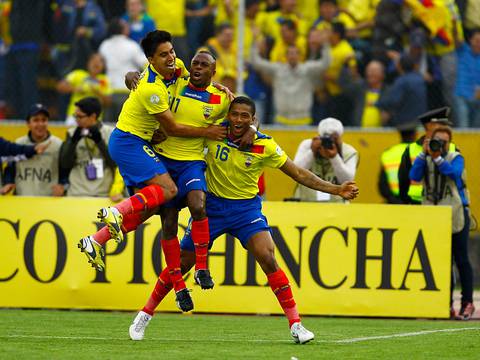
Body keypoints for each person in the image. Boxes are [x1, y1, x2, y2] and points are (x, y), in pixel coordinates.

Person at [128, 96, 359, 343]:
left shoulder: (265, 145)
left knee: (268, 258)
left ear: (253, 120)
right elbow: (179, 129)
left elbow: (299, 173)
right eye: (234, 114)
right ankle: (144, 315)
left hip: (245, 211)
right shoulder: (213, 133)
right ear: (228, 115)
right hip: (211, 209)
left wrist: (335, 190)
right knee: (182, 263)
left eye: (244, 116)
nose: (238, 119)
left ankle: (296, 325)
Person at [79, 30, 227, 312]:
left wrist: (218, 85)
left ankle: (95, 240)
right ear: (150, 60)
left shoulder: (179, 67)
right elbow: (172, 127)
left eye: (171, 51)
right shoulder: (151, 87)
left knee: (152, 209)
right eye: (164, 55)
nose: (172, 57)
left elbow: (198, 75)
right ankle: (116, 211)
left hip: (149, 145)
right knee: (168, 194)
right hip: (130, 143)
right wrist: (207, 131)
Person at [409, 126, 475, 320]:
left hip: (455, 214)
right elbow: (414, 176)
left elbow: (454, 174)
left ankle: (467, 302)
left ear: (450, 143)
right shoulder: (425, 158)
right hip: (434, 216)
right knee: (440, 262)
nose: (440, 145)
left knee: (461, 259)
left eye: (444, 142)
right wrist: (424, 153)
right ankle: (444, 304)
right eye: (436, 141)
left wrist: (437, 157)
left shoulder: (455, 157)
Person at [250, 31, 331, 126]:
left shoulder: (308, 69)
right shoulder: (277, 69)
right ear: (286, 56)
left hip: (303, 120)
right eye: (290, 53)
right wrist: (254, 42)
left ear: (300, 56)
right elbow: (256, 63)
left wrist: (325, 45)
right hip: (281, 120)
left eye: (295, 53)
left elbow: (325, 63)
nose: (293, 56)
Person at [1, 104, 67, 196]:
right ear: (28, 123)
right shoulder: (19, 143)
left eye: (44, 120)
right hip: (22, 200)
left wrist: (62, 186)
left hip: (48, 202)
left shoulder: (58, 145)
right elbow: (10, 169)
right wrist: (8, 182)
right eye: (36, 120)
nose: (40, 124)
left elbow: (65, 172)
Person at [59, 97, 116, 197]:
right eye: (75, 116)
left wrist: (100, 142)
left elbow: (115, 164)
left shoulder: (110, 133)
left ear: (93, 116)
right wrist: (73, 142)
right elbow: (64, 164)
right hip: (77, 193)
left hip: (103, 194)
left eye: (80, 117)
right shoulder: (72, 133)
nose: (76, 120)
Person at [398, 107, 455, 205]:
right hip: (417, 204)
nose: (445, 129)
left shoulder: (453, 148)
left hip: (446, 204)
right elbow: (403, 180)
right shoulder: (412, 149)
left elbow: (458, 179)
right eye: (441, 125)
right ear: (429, 126)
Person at [293, 117, 358, 202]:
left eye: (333, 138)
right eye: (325, 138)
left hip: (337, 206)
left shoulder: (349, 152)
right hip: (305, 203)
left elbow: (347, 179)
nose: (328, 142)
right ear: (319, 136)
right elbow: (295, 172)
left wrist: (334, 157)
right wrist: (312, 152)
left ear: (339, 137)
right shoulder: (308, 145)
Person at [99, 18, 146, 123]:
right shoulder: (131, 46)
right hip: (127, 92)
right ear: (124, 30)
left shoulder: (104, 45)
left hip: (109, 92)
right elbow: (145, 64)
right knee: (127, 125)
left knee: (108, 127)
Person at [57, 52, 112, 125]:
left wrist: (97, 92)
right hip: (74, 117)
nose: (96, 63)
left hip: (94, 118)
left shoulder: (105, 80)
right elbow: (60, 86)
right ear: (88, 63)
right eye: (93, 60)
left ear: (103, 66)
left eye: (100, 61)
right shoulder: (78, 74)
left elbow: (108, 102)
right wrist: (75, 89)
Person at [376, 54, 427, 128]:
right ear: (414, 66)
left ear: (399, 66)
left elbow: (393, 101)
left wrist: (377, 103)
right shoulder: (420, 79)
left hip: (405, 122)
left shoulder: (401, 81)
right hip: (420, 121)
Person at [378, 123, 417, 204]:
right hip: (418, 203)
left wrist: (394, 200)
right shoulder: (422, 152)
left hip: (395, 202)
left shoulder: (388, 153)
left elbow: (382, 185)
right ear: (415, 135)